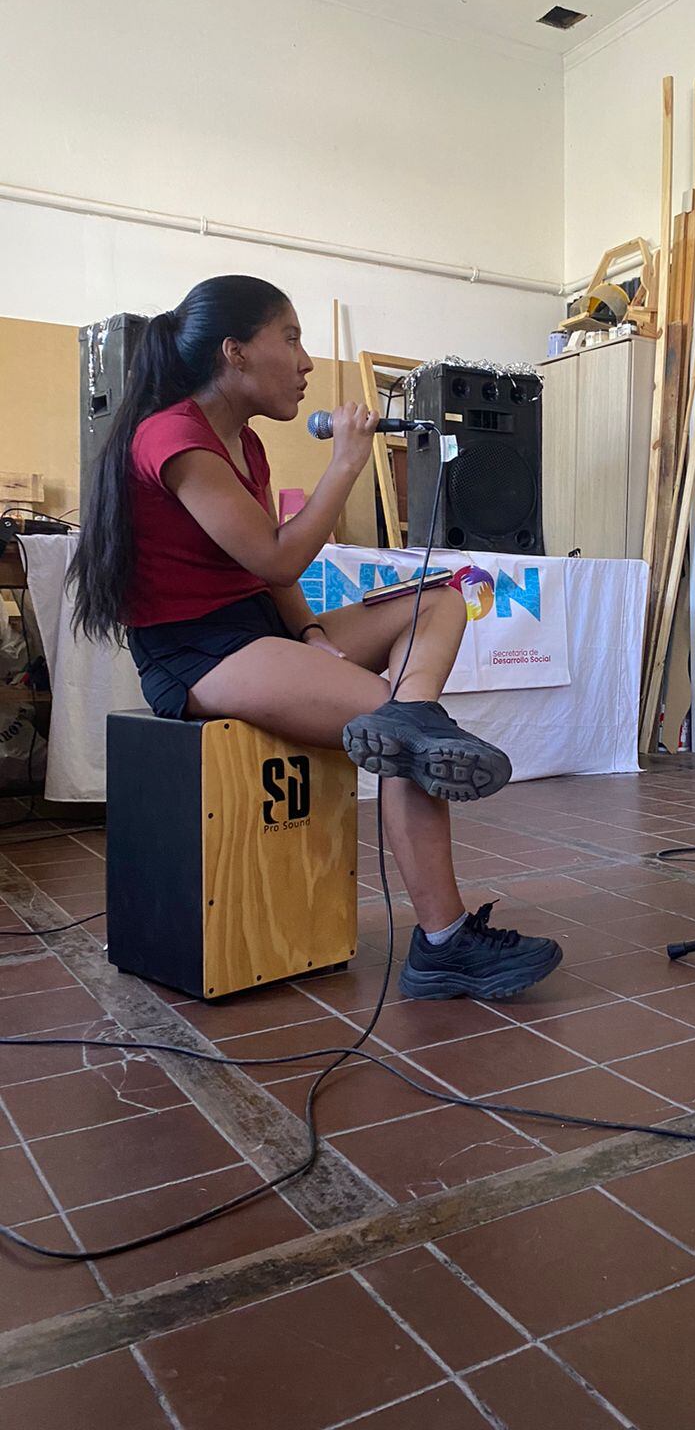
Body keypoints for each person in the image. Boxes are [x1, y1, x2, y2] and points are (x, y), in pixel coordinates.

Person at [69, 275, 563, 1000]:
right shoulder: (173, 437)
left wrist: (306, 629)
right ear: (235, 352)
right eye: (291, 338)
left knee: (442, 601)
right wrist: (347, 463)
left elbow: (266, 570)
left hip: (262, 628)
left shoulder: (246, 445)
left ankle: (412, 717)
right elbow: (277, 556)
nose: (305, 362)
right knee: (398, 731)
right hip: (199, 653)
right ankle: (444, 940)